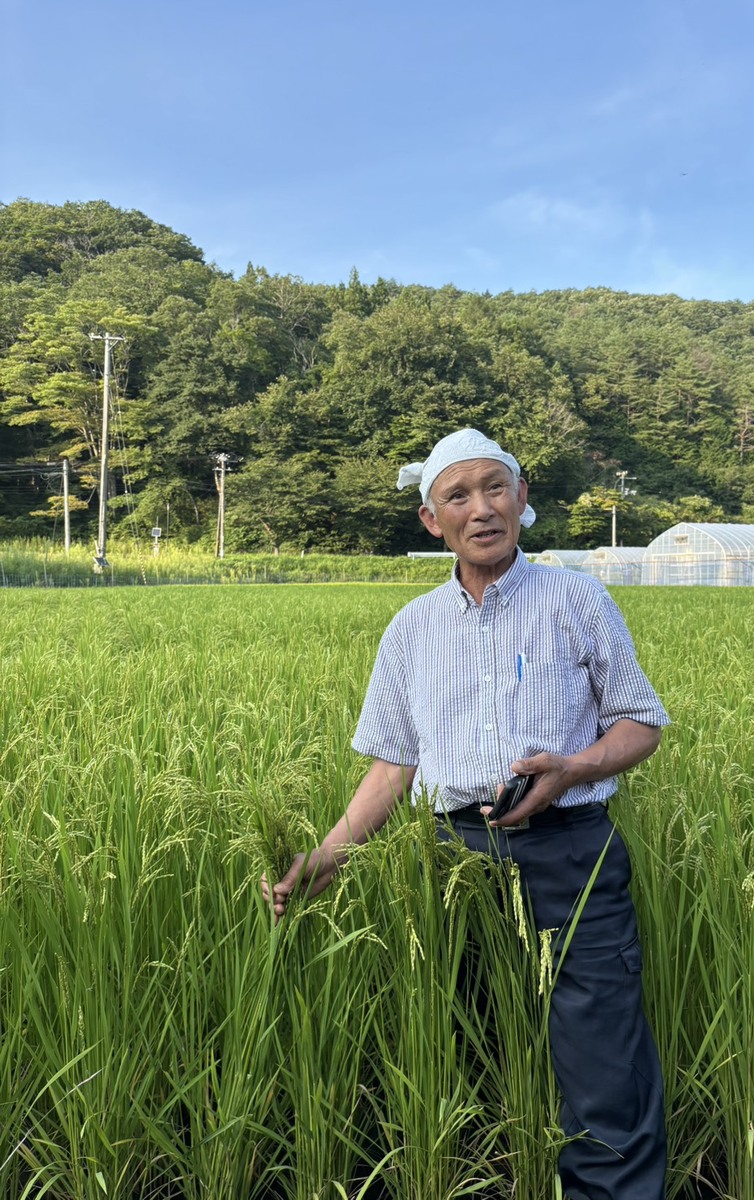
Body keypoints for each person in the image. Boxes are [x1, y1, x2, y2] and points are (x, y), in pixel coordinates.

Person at [261, 428, 669, 1200]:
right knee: (456, 1052)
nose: (481, 509)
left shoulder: (577, 600)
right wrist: (325, 856)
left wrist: (574, 768)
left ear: (522, 500)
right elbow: (393, 766)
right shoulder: (412, 630)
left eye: (495, 488)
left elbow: (639, 720)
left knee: (601, 1056)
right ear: (431, 519)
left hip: (570, 851)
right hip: (449, 856)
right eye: (459, 495)